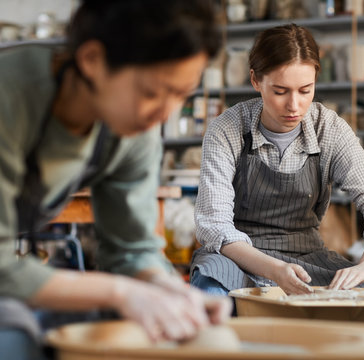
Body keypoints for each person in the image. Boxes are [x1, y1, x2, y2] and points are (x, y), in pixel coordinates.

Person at [0, 0, 231, 357]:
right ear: (92, 60)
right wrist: (122, 293)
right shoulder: (10, 99)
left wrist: (169, 291)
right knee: (14, 340)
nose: (164, 114)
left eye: (180, 94)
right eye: (152, 92)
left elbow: (131, 249)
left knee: (137, 324)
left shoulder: (135, 130)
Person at [191, 24, 364, 296]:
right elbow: (215, 226)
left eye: (305, 90)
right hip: (238, 258)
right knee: (211, 291)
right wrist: (274, 270)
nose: (294, 105)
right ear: (256, 80)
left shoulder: (329, 129)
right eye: (280, 91)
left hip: (307, 258)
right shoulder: (227, 128)